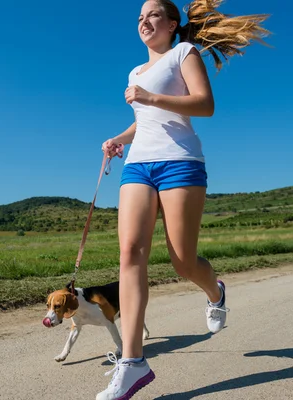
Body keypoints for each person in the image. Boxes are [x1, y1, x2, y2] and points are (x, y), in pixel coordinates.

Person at [97, 1, 271, 399]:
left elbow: (204, 104)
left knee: (182, 261)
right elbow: (144, 122)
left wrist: (151, 97)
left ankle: (216, 291)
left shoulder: (183, 53)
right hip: (139, 165)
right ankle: (132, 362)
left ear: (173, 23)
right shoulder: (135, 72)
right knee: (130, 252)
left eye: (154, 14)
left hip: (180, 162)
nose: (144, 21)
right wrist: (118, 140)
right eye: (140, 16)